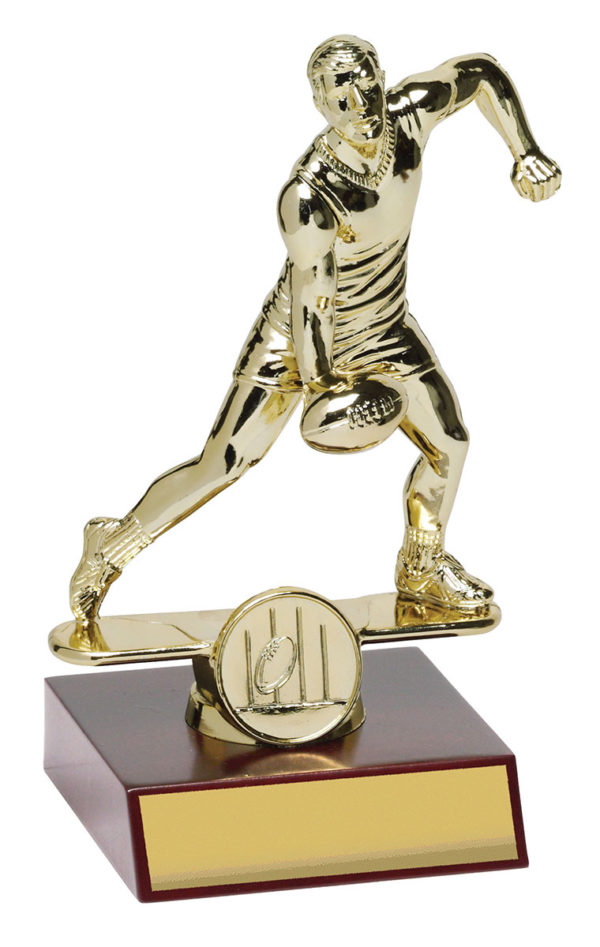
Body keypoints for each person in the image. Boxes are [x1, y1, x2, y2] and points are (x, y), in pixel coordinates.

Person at [70, 35, 561, 623]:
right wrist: (325, 386)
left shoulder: (409, 116)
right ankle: (110, 547)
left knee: (449, 442)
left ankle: (423, 567)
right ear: (320, 104)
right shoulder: (309, 195)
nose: (360, 104)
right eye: (341, 97)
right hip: (297, 341)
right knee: (225, 461)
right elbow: (312, 300)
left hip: (383, 323)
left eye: (367, 83)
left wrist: (525, 151)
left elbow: (478, 72)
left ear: (382, 76)